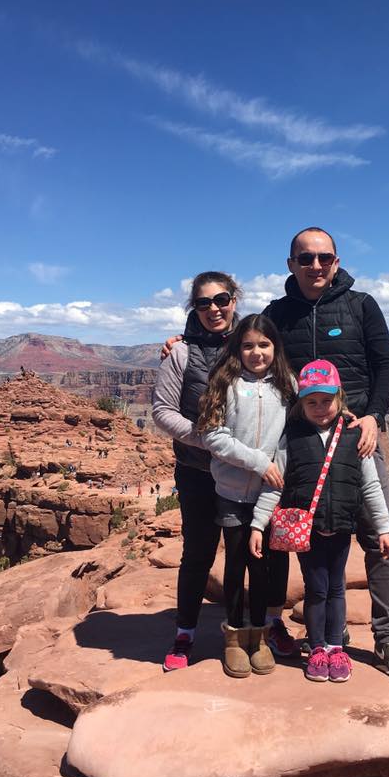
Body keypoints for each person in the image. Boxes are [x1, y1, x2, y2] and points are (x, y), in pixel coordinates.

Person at [161, 226, 389, 681]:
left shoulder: (362, 306)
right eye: (305, 258)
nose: (315, 265)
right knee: (300, 544)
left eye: (324, 257)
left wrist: (374, 415)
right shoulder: (277, 314)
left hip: (358, 438)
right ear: (291, 264)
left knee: (378, 537)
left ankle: (388, 636)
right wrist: (179, 342)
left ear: (336, 261)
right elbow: (245, 350)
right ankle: (304, 634)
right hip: (293, 448)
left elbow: (386, 366)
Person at [250, 361, 389, 684]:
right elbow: (275, 482)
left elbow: (371, 486)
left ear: (339, 397)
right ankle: (317, 647)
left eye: (326, 400)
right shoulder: (293, 438)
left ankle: (335, 647)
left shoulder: (354, 434)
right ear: (301, 402)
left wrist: (383, 529)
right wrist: (258, 524)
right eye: (311, 401)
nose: (319, 408)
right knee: (317, 589)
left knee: (337, 588)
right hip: (308, 532)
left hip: (341, 528)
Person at [151, 271, 241, 671]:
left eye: (221, 300)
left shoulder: (254, 344)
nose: (214, 309)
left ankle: (245, 632)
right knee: (198, 553)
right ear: (194, 308)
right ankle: (185, 632)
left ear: (234, 300)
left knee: (244, 553)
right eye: (203, 303)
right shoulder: (181, 354)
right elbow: (162, 411)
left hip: (244, 473)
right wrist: (208, 441)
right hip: (197, 470)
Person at [198, 314, 296, 677]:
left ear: (275, 348)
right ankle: (235, 638)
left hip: (269, 493)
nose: (257, 352)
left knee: (264, 567)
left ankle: (260, 636)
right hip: (231, 492)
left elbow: (289, 441)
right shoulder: (225, 383)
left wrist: (275, 472)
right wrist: (258, 462)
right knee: (236, 563)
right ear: (238, 348)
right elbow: (212, 436)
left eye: (264, 345)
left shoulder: (287, 386)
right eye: (248, 345)